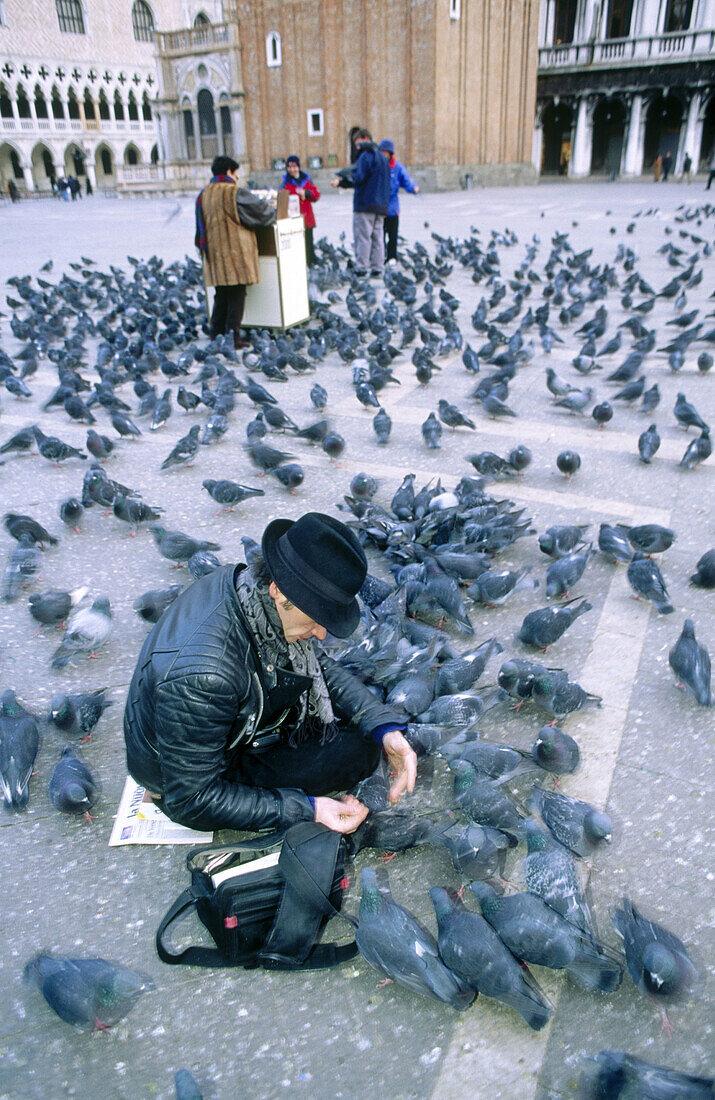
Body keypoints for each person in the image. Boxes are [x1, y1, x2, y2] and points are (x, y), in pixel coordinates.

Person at [124, 512, 417, 835]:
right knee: (354, 756)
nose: (321, 634)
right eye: (317, 618)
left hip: (209, 725)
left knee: (363, 736)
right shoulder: (206, 676)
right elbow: (191, 800)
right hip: (186, 779)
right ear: (279, 590)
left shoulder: (247, 589)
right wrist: (308, 809)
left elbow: (320, 667)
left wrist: (383, 726)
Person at [195, 155, 276, 349]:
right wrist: (275, 212)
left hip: (214, 252)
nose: (237, 177)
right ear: (230, 172)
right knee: (237, 293)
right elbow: (261, 212)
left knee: (221, 293)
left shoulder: (204, 194)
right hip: (235, 251)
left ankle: (216, 333)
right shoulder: (234, 192)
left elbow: (200, 227)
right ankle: (233, 336)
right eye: (236, 173)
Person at [331, 129, 390, 277]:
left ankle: (362, 268)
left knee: (363, 237)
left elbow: (359, 179)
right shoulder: (382, 158)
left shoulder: (365, 156)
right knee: (378, 238)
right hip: (381, 205)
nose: (357, 147)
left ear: (365, 139)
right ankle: (378, 268)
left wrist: (342, 181)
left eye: (358, 143)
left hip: (365, 205)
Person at [378, 139, 419, 264]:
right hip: (378, 206)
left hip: (392, 207)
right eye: (381, 152)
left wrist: (414, 188)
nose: (383, 154)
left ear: (390, 153)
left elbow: (406, 179)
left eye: (385, 152)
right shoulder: (377, 166)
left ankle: (392, 257)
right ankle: (379, 258)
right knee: (379, 236)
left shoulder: (397, 167)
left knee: (393, 235)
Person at [280, 155, 320, 267]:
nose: (292, 169)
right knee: (297, 242)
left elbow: (316, 195)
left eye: (294, 166)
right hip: (294, 218)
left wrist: (306, 193)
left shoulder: (306, 179)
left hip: (307, 216)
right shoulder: (285, 182)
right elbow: (281, 197)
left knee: (309, 240)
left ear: (298, 167)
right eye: (289, 167)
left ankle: (311, 261)